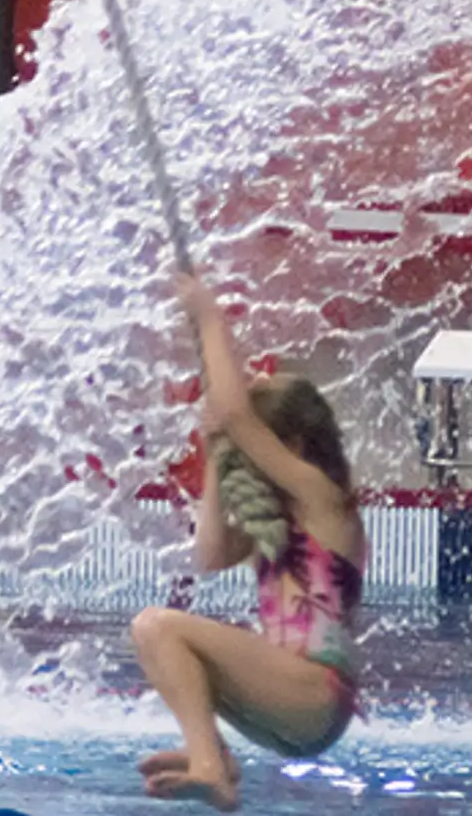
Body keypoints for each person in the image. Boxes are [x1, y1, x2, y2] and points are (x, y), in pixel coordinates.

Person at [130, 274, 366, 811]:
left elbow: (236, 413)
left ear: (294, 443)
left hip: (315, 691)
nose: (247, 445)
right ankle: (213, 753)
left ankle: (209, 767)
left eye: (257, 441)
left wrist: (209, 316)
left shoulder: (324, 500)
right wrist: (217, 452)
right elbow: (209, 555)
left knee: (159, 625)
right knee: (151, 634)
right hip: (287, 703)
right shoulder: (278, 520)